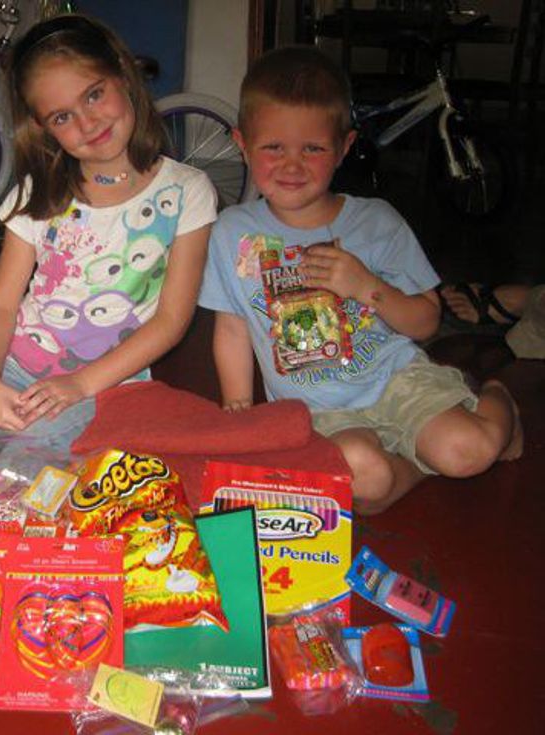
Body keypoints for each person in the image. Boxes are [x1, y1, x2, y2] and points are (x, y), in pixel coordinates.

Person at [198, 46, 522, 515]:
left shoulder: (376, 221)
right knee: (360, 480)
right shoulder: (232, 232)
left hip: (397, 381)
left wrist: (364, 285)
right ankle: (407, 463)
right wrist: (239, 407)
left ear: (344, 147)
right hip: (317, 410)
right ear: (242, 144)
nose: (292, 165)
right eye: (273, 148)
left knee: (466, 452)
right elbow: (232, 328)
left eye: (313, 148)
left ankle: (496, 400)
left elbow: (426, 322)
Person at [0, 14, 217, 457]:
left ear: (123, 74)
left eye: (94, 94)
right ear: (43, 127)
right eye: (63, 116)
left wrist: (79, 384)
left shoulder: (188, 191)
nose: (87, 122)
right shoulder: (36, 193)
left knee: (23, 471)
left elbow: (170, 321)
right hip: (16, 368)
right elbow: (0, 306)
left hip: (107, 384)